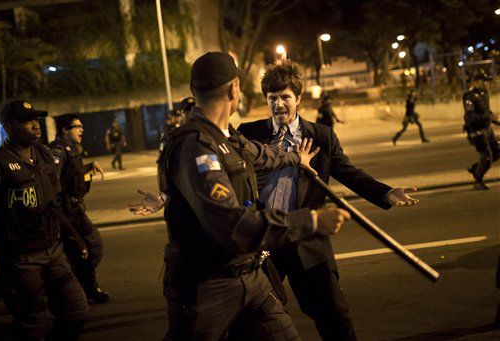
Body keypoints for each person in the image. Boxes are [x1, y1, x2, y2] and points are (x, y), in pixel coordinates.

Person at [156, 51, 354, 340]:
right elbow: (234, 225)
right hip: (208, 285)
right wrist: (310, 221)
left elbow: (260, 154)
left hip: (249, 275)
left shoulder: (226, 136)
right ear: (234, 89)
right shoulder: (197, 148)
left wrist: (293, 158)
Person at [238, 61, 420, 341]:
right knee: (255, 321)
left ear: (298, 98)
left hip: (307, 238)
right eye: (272, 98)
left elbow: (349, 173)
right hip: (265, 238)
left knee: (334, 314)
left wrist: (386, 192)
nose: (278, 104)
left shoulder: (321, 136)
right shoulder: (249, 134)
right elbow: (226, 172)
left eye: (285, 96)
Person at [0, 100, 89, 340]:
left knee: (77, 312)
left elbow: (53, 203)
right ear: (8, 126)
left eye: (36, 119)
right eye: (27, 120)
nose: (35, 125)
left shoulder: (44, 155)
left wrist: (76, 237)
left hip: (54, 251)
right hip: (21, 260)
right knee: (34, 323)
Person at [49, 113, 110, 303]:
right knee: (92, 247)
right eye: (77, 126)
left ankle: (89, 289)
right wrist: (60, 212)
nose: (82, 129)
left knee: (84, 250)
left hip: (75, 209)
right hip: (68, 212)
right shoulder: (58, 151)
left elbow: (71, 175)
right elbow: (53, 183)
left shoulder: (70, 148)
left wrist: (89, 166)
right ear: (65, 130)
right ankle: (74, 288)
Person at [463, 73, 500, 190]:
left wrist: (496, 120)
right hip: (477, 132)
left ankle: (475, 168)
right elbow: (470, 117)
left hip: (488, 131)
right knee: (487, 156)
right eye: (485, 81)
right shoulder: (470, 96)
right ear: (477, 82)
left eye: (488, 81)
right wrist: (489, 118)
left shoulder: (484, 95)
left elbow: (486, 112)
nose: (487, 84)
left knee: (497, 152)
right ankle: (478, 181)